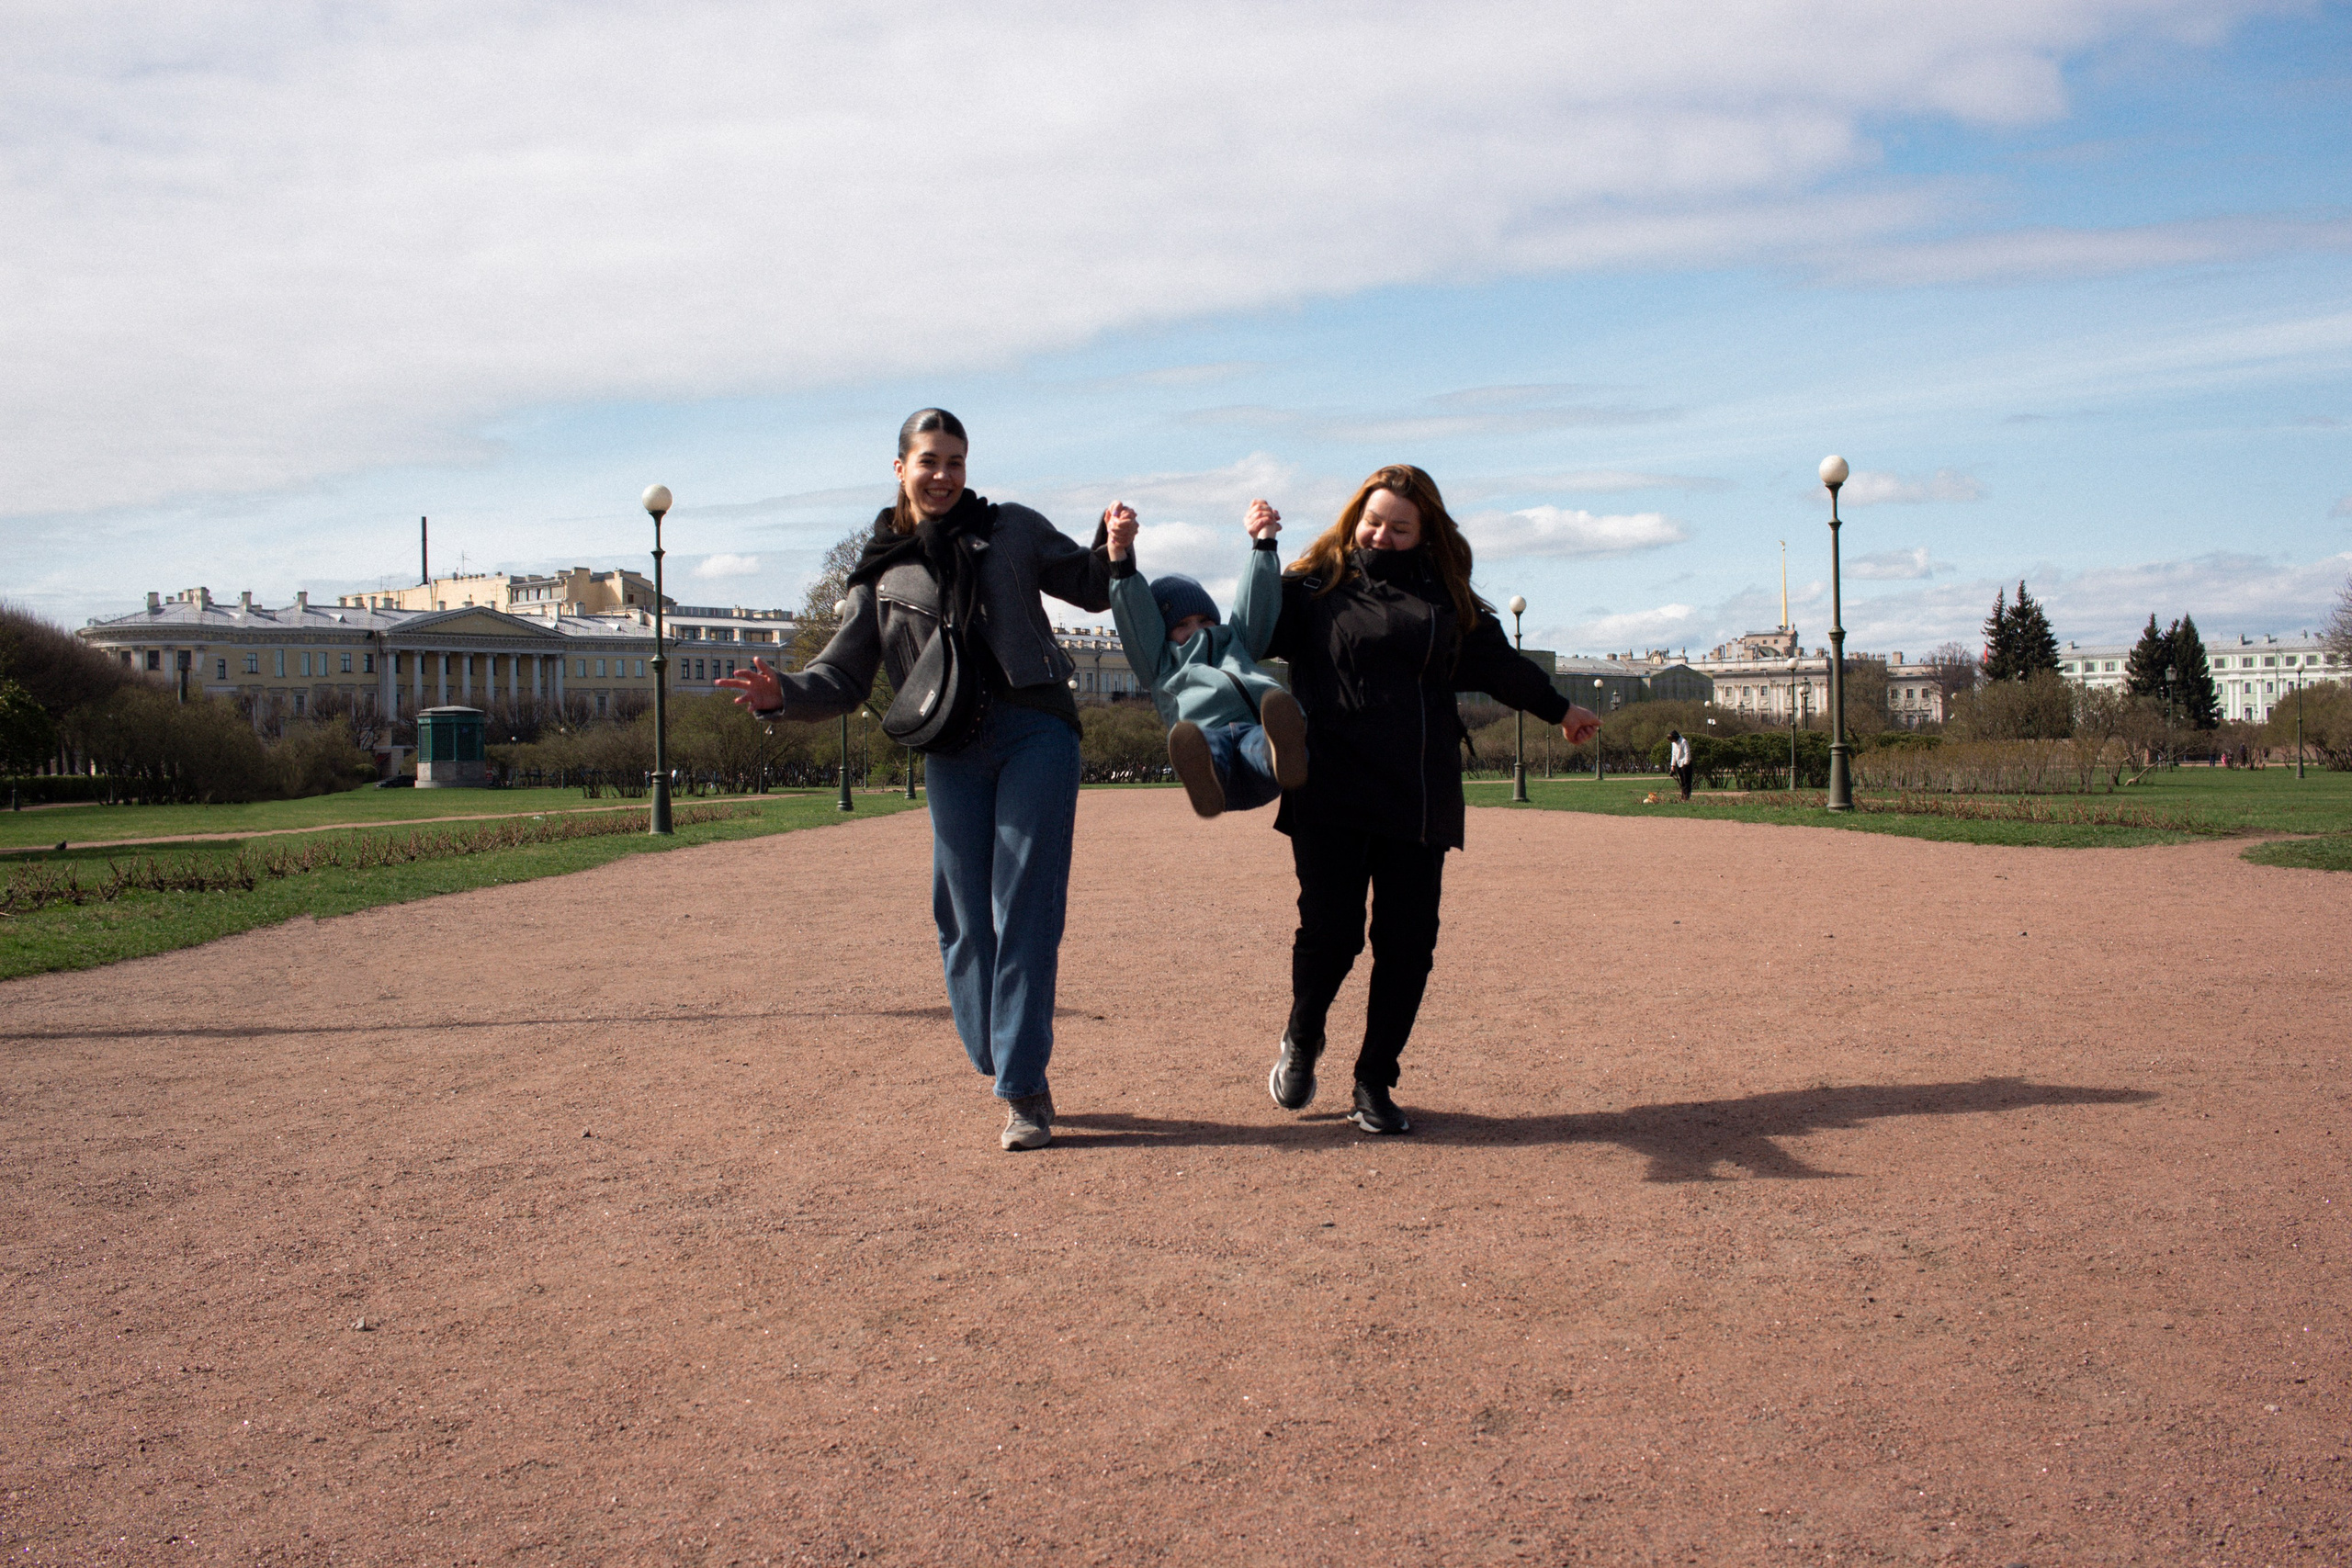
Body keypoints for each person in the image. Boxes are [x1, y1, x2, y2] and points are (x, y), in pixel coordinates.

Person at [718, 409, 1116, 1152]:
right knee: (962, 915)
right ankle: (1001, 1052)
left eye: (955, 462)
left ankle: (1024, 1086)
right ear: (899, 468)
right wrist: (784, 695)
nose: (943, 475)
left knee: (1027, 904)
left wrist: (1114, 548)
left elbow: (1091, 587)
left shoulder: (1015, 529)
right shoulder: (880, 572)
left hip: (1037, 729)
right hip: (950, 744)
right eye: (929, 460)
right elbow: (841, 674)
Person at [1259, 464, 1600, 1134]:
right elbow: (1253, 627)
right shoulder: (1311, 587)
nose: (1382, 535)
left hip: (1417, 791)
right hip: (1329, 785)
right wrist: (1261, 550)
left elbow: (1503, 668)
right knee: (1331, 936)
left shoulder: (1448, 603)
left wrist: (1560, 709)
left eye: (1399, 526)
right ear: (1355, 516)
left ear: (1426, 532)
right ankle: (1303, 1036)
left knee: (1408, 944)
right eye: (1374, 521)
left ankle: (1374, 1080)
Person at [1104, 499, 1307, 817]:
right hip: (1213, 762)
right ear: (1163, 632)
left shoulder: (1237, 640)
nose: (1196, 630)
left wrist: (1264, 540)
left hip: (1259, 750)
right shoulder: (1160, 662)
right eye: (1182, 625)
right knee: (1206, 744)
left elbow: (1258, 599)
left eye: (1204, 620)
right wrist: (1119, 552)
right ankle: (1204, 772)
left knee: (1259, 741)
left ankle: (1282, 753)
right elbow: (1136, 616)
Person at [1668, 728, 1693, 800]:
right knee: (1682, 782)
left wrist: (1686, 764)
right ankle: (1683, 796)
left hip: (1686, 765)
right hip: (1679, 764)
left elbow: (1687, 753)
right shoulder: (1673, 743)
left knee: (1687, 782)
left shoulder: (1683, 742)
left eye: (1672, 739)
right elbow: (1673, 754)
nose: (1672, 741)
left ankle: (1687, 796)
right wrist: (1672, 766)